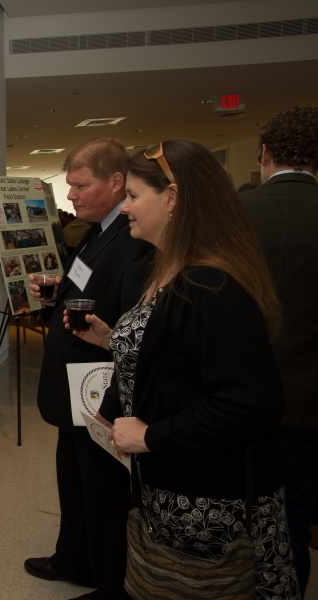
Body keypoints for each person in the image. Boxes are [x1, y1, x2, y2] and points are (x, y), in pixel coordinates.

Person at [72, 139, 298, 599]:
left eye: (134, 195)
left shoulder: (209, 284)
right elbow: (180, 355)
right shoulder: (172, 269)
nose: (127, 207)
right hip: (176, 486)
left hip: (210, 500)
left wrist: (149, 436)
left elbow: (251, 403)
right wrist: (115, 340)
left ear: (173, 198)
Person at [25, 137, 154, 600]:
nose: (71, 196)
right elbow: (91, 285)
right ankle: (73, 558)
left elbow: (135, 321)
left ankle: (109, 583)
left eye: (81, 185)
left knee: (103, 494)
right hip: (72, 392)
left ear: (116, 183)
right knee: (74, 480)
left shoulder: (134, 238)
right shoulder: (98, 230)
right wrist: (60, 290)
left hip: (98, 391)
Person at [242, 104, 318, 593]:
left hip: (241, 398)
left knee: (242, 515)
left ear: (265, 153)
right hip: (310, 405)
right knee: (294, 516)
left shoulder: (238, 214)